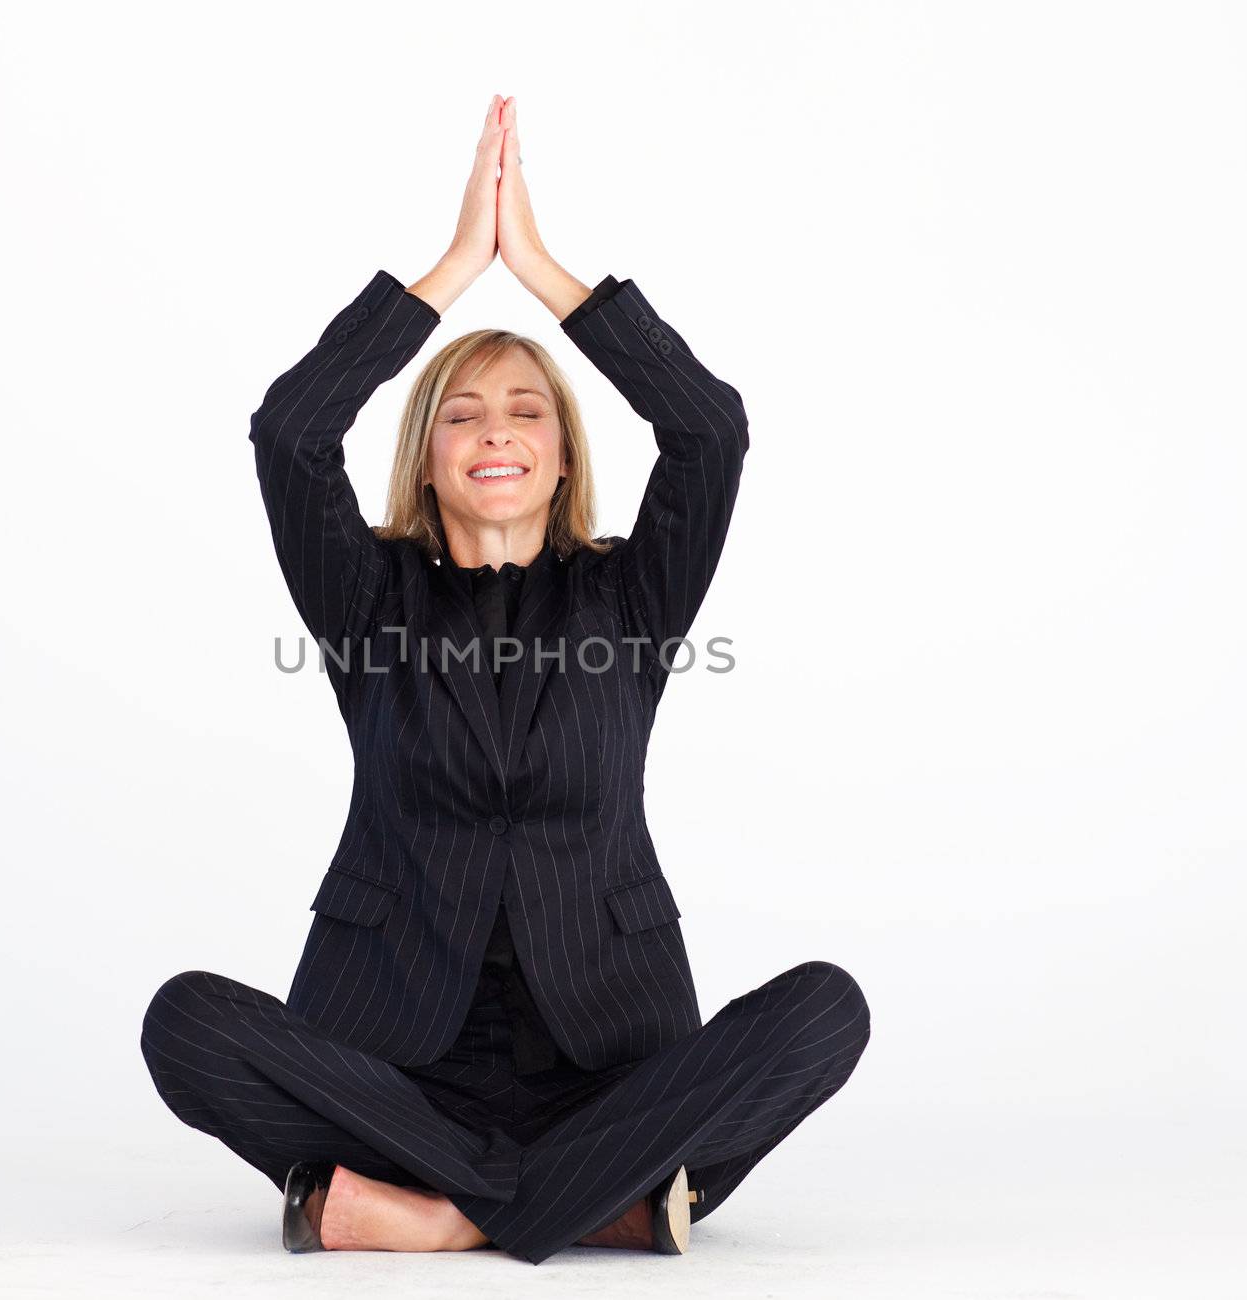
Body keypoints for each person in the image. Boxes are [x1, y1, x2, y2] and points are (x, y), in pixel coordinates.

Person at [139, 93, 870, 1266]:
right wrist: (446, 275)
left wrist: (536, 272)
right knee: (184, 1021)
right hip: (391, 1070)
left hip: (613, 1066)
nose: (497, 429)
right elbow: (289, 433)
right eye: (462, 413)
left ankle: (440, 1215)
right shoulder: (366, 604)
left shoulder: (631, 601)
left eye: (527, 409)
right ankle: (598, 1208)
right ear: (425, 456)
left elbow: (709, 433)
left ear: (565, 452)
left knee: (826, 1006)